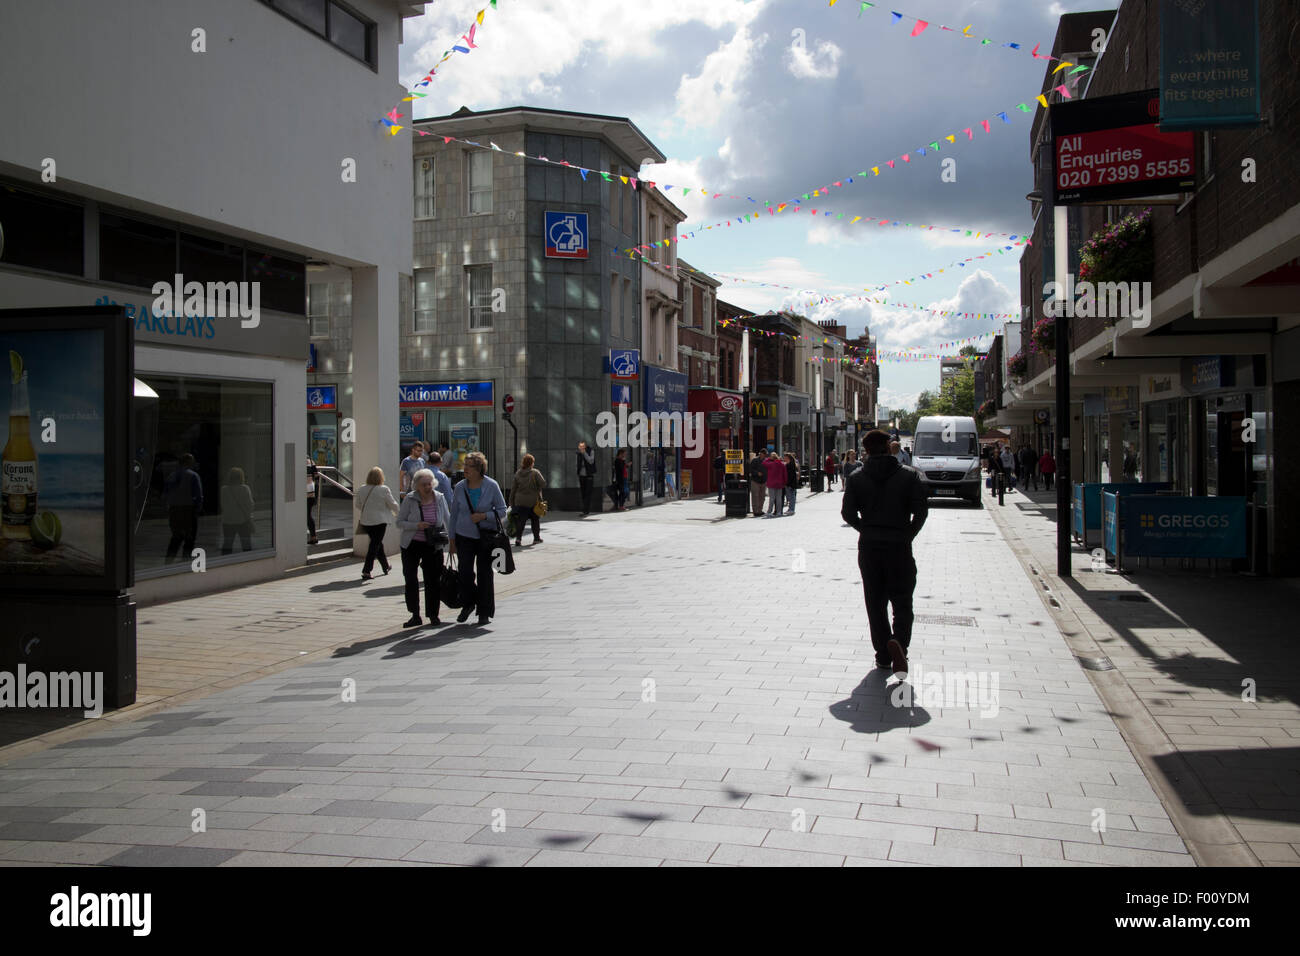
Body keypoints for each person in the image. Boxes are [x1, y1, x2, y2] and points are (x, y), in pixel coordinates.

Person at [842, 429, 929, 678]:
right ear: (889, 446)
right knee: (902, 600)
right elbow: (921, 511)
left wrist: (866, 529)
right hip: (899, 546)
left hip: (870, 548)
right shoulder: (909, 476)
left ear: (865, 450)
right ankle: (899, 641)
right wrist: (908, 534)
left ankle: (882, 655)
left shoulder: (857, 478)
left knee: (875, 601)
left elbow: (847, 514)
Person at [448, 452, 508, 626]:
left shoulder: (491, 485)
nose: (465, 469)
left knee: (485, 574)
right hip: (464, 535)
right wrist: (451, 540)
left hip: (485, 537)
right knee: (465, 573)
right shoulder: (460, 487)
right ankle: (469, 603)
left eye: (469, 466)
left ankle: (484, 612)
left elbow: (503, 510)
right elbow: (454, 515)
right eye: (464, 465)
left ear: (479, 469)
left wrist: (484, 516)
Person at [396, 467, 450, 627]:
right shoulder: (410, 499)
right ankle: (415, 614)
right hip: (411, 544)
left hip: (433, 544)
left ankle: (433, 614)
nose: (427, 487)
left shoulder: (439, 498)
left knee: (433, 580)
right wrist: (416, 525)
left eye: (429, 484)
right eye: (424, 485)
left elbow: (448, 519)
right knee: (411, 578)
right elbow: (399, 522)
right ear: (417, 486)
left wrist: (453, 541)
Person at [357, 466, 400, 580]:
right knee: (374, 545)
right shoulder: (384, 489)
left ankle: (385, 566)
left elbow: (358, 504)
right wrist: (398, 514)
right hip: (380, 521)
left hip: (366, 521)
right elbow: (393, 504)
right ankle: (366, 570)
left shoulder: (362, 488)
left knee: (377, 543)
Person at [164, 454, 203, 561]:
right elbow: (198, 495)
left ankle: (168, 561)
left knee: (176, 537)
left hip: (174, 509)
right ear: (189, 462)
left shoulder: (172, 476)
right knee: (189, 538)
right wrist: (197, 509)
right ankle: (185, 562)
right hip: (188, 510)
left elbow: (166, 493)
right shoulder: (193, 476)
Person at [509, 453, 546, 547]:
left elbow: (513, 489)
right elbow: (543, 483)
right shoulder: (535, 472)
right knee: (535, 520)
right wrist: (536, 487)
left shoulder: (518, 473)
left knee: (521, 521)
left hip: (520, 501)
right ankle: (536, 538)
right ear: (531, 463)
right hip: (533, 501)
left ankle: (518, 539)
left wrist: (511, 502)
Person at [219, 466, 254, 555]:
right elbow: (250, 505)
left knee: (227, 544)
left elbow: (223, 505)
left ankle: (225, 562)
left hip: (228, 521)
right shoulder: (245, 488)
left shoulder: (224, 489)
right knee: (246, 545)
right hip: (243, 521)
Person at [763, 449, 787, 516]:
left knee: (772, 498)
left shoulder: (770, 464)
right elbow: (785, 474)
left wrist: (768, 458)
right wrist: (784, 482)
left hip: (771, 483)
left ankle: (769, 512)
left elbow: (764, 463)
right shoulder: (782, 464)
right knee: (779, 498)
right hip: (780, 483)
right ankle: (779, 512)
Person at [576, 441, 596, 516]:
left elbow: (591, 461)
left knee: (588, 493)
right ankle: (585, 509)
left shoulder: (591, 451)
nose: (581, 448)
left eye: (582, 446)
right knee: (583, 493)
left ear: (585, 446)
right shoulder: (578, 453)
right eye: (580, 446)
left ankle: (585, 511)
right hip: (581, 476)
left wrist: (584, 453)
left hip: (589, 475)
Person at [747, 451, 767, 517]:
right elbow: (750, 469)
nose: (763, 455)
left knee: (762, 497)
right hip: (755, 481)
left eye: (764, 454)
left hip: (763, 481)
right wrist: (757, 473)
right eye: (762, 454)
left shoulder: (766, 461)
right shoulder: (755, 460)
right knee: (755, 496)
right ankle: (755, 511)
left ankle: (760, 510)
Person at [305, 456, 320, 544]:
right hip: (311, 491)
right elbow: (317, 476)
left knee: (306, 516)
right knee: (308, 515)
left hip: (302, 492)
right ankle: (313, 536)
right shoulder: (311, 461)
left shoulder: (297, 460)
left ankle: (313, 537)